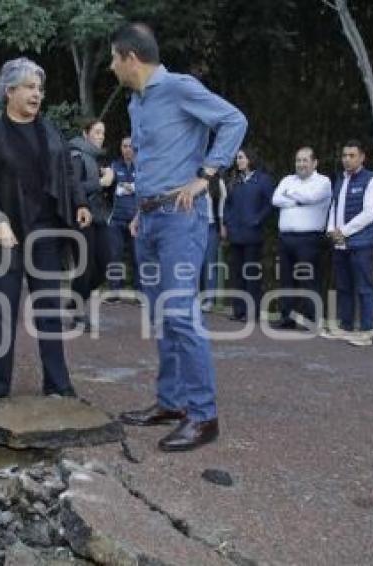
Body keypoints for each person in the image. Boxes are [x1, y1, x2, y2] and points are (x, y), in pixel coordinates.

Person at [110, 23, 247, 452]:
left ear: (131, 57)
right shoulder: (137, 101)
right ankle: (171, 403)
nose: (111, 67)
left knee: (182, 314)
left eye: (114, 58)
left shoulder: (180, 87)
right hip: (149, 220)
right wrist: (141, 212)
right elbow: (151, 161)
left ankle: (204, 416)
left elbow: (234, 120)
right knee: (163, 317)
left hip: (181, 219)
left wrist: (206, 174)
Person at [0, 57, 92, 398]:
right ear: (9, 91)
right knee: (2, 312)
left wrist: (80, 202)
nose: (37, 94)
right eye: (29, 87)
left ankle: (57, 384)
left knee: (50, 311)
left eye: (40, 88)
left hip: (46, 235)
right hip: (6, 236)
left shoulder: (49, 130)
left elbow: (67, 171)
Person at [325, 140, 373, 347]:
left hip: (362, 243)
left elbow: (369, 213)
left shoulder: (372, 180)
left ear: (362, 157)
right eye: (344, 155)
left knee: (364, 287)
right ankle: (346, 326)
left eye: (351, 155)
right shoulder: (340, 180)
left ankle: (367, 330)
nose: (347, 159)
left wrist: (344, 231)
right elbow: (334, 206)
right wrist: (331, 229)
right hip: (340, 243)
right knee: (344, 286)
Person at [270, 146, 332, 329]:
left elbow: (311, 198)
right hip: (286, 238)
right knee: (286, 279)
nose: (301, 164)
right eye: (298, 160)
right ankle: (287, 317)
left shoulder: (323, 181)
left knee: (308, 279)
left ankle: (311, 319)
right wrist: (298, 199)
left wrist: (290, 196)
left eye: (305, 160)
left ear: (315, 163)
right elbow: (275, 199)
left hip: (309, 239)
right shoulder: (287, 179)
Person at [69, 118, 114, 329]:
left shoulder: (96, 158)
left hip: (100, 216)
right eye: (97, 132)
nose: (101, 137)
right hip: (81, 216)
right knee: (84, 267)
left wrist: (110, 181)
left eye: (103, 133)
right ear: (86, 134)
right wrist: (100, 182)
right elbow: (73, 186)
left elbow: (103, 192)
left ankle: (76, 297)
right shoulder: (76, 154)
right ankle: (78, 312)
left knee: (106, 263)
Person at [222, 148, 275, 322]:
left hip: (253, 235)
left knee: (250, 273)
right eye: (237, 158)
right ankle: (239, 310)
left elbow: (270, 204)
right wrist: (228, 222)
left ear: (251, 159)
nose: (238, 161)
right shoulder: (235, 181)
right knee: (237, 273)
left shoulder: (263, 180)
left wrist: (257, 219)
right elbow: (228, 205)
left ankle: (252, 313)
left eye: (241, 158)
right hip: (236, 234)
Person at [107, 136, 139, 298]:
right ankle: (114, 290)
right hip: (116, 218)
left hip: (136, 219)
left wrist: (133, 186)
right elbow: (106, 187)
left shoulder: (142, 167)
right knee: (114, 255)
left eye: (130, 146)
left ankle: (139, 290)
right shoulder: (114, 165)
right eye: (124, 146)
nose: (127, 149)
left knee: (138, 256)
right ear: (121, 148)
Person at [200, 174, 227, 313]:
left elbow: (222, 207)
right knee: (196, 262)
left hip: (211, 227)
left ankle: (209, 300)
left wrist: (222, 227)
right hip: (195, 227)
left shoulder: (219, 183)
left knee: (209, 263)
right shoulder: (194, 180)